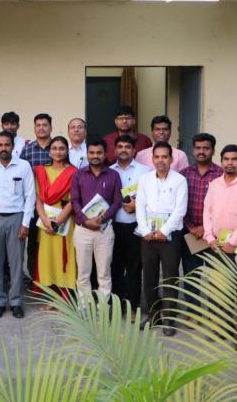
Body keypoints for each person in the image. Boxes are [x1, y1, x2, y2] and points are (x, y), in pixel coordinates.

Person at [0, 131, 36, 319]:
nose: (3, 148)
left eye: (7, 145)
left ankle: (17, 301)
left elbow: (30, 196)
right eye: (0, 145)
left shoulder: (24, 166)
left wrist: (26, 223)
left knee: (16, 262)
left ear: (13, 146)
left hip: (17, 217)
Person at [135, 142, 188, 335]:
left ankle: (170, 319)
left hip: (170, 236)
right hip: (147, 236)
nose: (161, 160)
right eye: (157, 157)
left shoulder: (180, 180)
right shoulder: (145, 179)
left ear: (171, 159)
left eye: (165, 157)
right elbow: (140, 207)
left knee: (170, 277)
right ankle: (153, 315)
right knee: (148, 277)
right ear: (152, 159)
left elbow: (180, 210)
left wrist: (164, 231)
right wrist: (144, 230)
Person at [70, 139, 124, 306]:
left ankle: (102, 306)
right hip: (82, 230)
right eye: (92, 153)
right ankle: (84, 306)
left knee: (104, 273)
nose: (95, 156)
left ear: (105, 153)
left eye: (99, 153)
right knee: (83, 273)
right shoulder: (78, 174)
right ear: (87, 154)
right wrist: (86, 221)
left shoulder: (113, 175)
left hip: (104, 230)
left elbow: (117, 201)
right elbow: (74, 201)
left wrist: (103, 218)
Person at [32, 136, 78, 308]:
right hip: (44, 222)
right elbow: (38, 199)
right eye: (54, 148)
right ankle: (50, 296)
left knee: (63, 257)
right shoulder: (41, 171)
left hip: (65, 221)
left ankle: (64, 298)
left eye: (61, 148)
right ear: (49, 151)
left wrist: (57, 222)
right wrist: (45, 220)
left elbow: (74, 200)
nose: (58, 152)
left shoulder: (74, 172)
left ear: (67, 151)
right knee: (47, 257)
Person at [110, 135, 151, 313]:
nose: (124, 150)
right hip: (114, 225)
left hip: (136, 226)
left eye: (128, 147)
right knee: (115, 268)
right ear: (115, 150)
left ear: (134, 150)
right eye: (120, 146)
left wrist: (137, 205)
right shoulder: (109, 171)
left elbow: (152, 198)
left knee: (134, 268)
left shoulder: (146, 171)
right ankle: (118, 306)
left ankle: (133, 306)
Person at [202, 145, 237, 254]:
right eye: (226, 159)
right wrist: (210, 238)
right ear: (221, 162)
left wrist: (232, 243)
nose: (229, 163)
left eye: (234, 159)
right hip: (216, 244)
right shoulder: (214, 184)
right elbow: (207, 212)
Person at [181, 133, 223, 282]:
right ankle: (192, 306)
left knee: (217, 279)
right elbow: (178, 205)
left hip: (215, 235)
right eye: (198, 148)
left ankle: (215, 306)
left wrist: (206, 229)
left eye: (206, 148)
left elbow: (225, 206)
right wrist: (191, 227)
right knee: (192, 278)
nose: (201, 151)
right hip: (190, 235)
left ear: (213, 150)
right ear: (193, 150)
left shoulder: (222, 174)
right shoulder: (183, 174)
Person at [20, 114, 53, 287]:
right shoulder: (28, 149)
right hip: (33, 203)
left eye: (45, 125)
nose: (41, 128)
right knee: (33, 242)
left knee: (52, 240)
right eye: (38, 125)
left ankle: (53, 279)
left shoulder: (57, 147)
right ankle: (35, 279)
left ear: (50, 127)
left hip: (54, 204)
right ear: (34, 128)